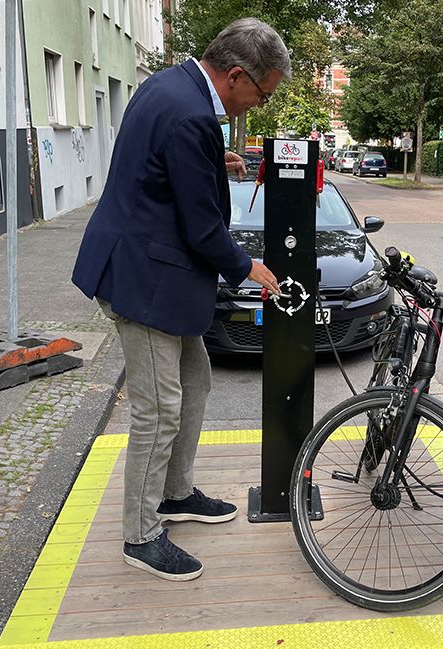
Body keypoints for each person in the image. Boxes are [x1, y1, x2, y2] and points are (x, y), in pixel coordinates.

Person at [71, 18, 289, 582]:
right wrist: (250, 268)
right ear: (237, 75)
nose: (256, 107)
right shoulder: (193, 113)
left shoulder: (167, 85)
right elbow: (202, 228)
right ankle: (140, 537)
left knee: (197, 381)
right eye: (261, 95)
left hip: (154, 268)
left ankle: (174, 492)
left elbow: (162, 169)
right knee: (159, 407)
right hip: (143, 279)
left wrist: (217, 163)